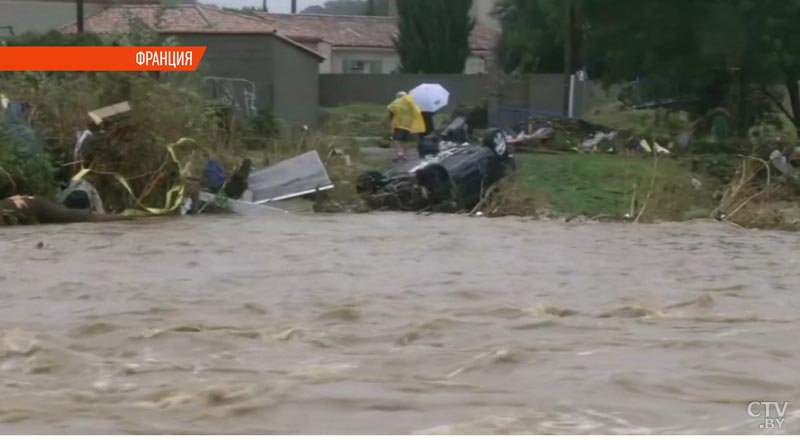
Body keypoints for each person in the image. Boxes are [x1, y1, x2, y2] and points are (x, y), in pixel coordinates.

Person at [387, 91, 425, 160]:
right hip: (408, 125)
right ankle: (405, 154)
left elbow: (391, 111)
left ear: (398, 96)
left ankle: (400, 152)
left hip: (398, 124)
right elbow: (417, 112)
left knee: (396, 139)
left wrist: (390, 122)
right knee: (405, 140)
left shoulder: (396, 102)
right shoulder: (411, 103)